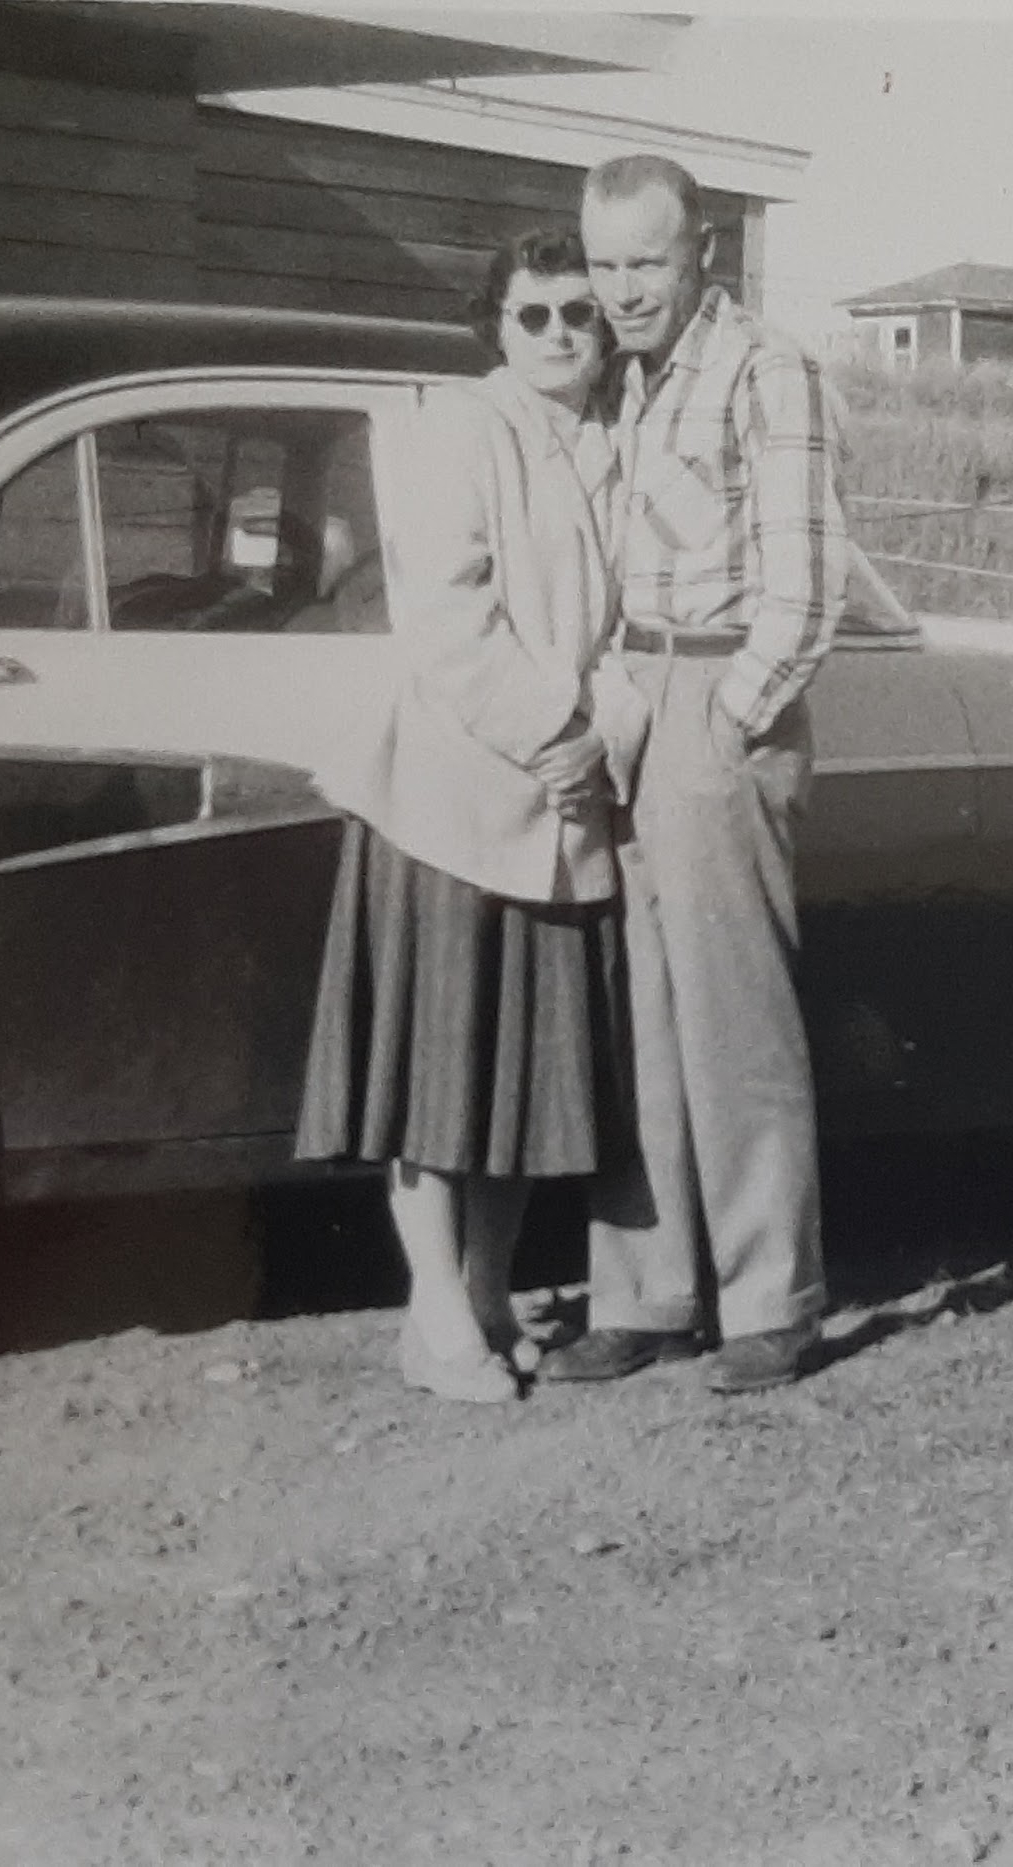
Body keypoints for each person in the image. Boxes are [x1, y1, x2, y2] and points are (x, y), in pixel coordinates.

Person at [297, 228, 643, 1404]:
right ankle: (436, 1320)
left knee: (523, 1076)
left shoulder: (616, 440)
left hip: (562, 811)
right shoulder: (457, 427)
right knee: (434, 1076)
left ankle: (488, 1291)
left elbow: (632, 623)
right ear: (494, 327)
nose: (557, 334)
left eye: (578, 313)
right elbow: (445, 619)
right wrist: (557, 737)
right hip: (449, 800)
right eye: (531, 313)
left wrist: (601, 739)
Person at [540, 153, 851, 1397]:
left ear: (702, 254)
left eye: (646, 264)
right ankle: (646, 1297)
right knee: (641, 1018)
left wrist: (725, 721)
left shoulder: (765, 370)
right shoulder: (622, 377)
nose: (621, 290)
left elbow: (806, 588)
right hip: (630, 696)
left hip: (718, 694)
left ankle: (771, 1303)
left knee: (734, 1021)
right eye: (603, 263)